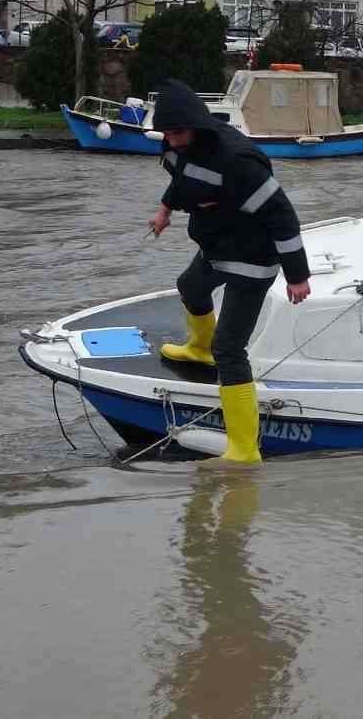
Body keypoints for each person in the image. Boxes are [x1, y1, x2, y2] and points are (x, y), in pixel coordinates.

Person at [147, 79, 311, 464]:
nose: (171, 140)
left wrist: (297, 275)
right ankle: (199, 350)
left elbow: (283, 217)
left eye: (177, 132)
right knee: (190, 287)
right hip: (218, 246)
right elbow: (183, 182)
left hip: (253, 259)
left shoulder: (238, 162)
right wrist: (164, 211)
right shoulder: (177, 145)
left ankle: (244, 449)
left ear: (197, 126)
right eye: (166, 133)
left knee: (230, 349)